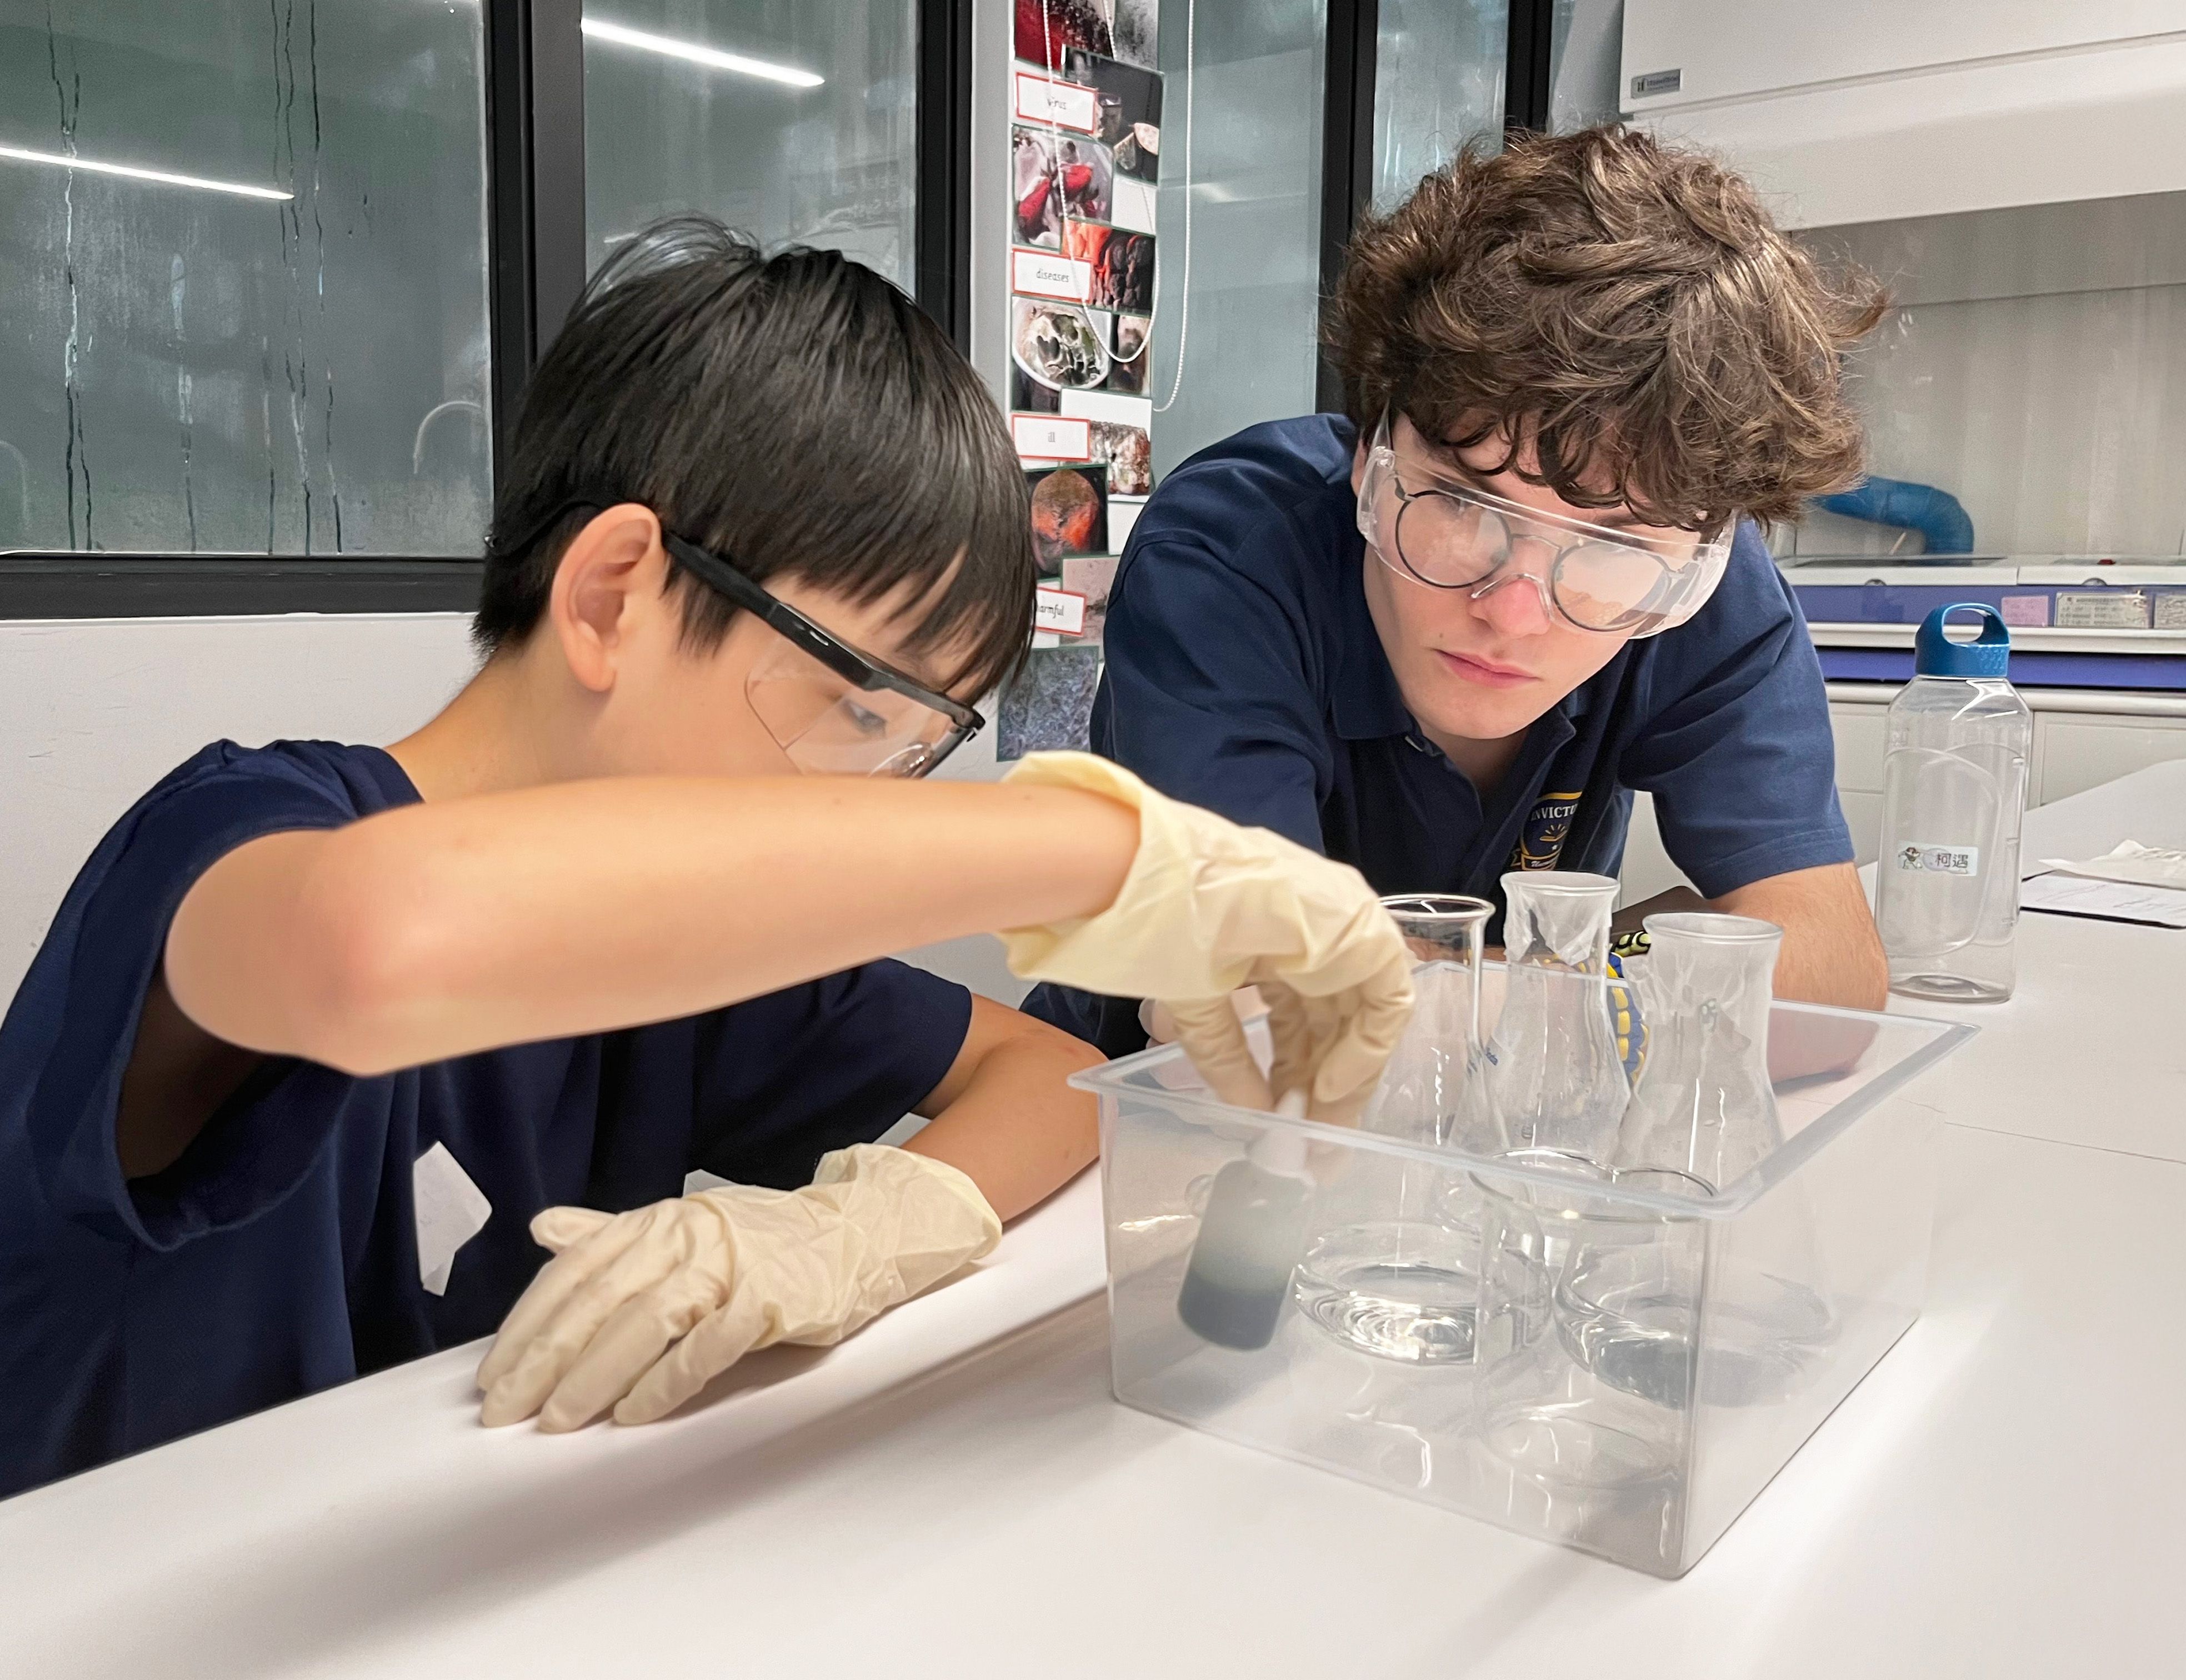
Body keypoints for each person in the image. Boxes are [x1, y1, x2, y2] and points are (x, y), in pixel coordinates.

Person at [0, 220, 1409, 1495]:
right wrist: (1107, 853)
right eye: (861, 711)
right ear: (616, 594)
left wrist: (856, 1233)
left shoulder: (697, 975)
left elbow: (1045, 1077)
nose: (869, 792)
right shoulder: (232, 836)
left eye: (917, 745)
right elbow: (376, 948)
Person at [1029, 127, 1893, 1059]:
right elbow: (1271, 1009)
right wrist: (1644, 983)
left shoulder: (1702, 581)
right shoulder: (1235, 555)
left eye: (1607, 552)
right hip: (1153, 1117)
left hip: (1513, 1136)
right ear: (1370, 454)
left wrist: (1514, 1002)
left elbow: (1832, 982)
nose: (1512, 610)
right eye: (1462, 505)